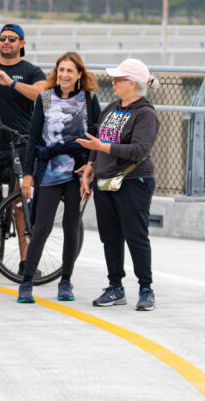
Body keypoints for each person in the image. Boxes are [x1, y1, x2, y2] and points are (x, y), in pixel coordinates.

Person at [16, 51, 101, 304]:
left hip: (78, 174)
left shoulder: (89, 99)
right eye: (61, 70)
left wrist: (90, 167)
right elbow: (33, 138)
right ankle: (27, 282)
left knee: (71, 228)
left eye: (70, 71)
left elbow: (97, 137)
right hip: (49, 171)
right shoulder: (44, 98)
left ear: (79, 75)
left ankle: (66, 281)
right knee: (41, 227)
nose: (64, 75)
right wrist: (28, 174)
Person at [76, 58, 160, 312]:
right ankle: (115, 287)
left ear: (132, 84)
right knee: (110, 237)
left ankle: (146, 288)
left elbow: (139, 149)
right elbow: (98, 139)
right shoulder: (111, 108)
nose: (112, 83)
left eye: (118, 79)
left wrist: (101, 147)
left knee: (136, 235)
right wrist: (89, 168)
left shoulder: (145, 114)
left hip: (134, 180)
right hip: (105, 179)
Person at [0, 22, 46, 277]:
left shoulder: (31, 71)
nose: (6, 42)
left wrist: (11, 83)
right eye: (2, 38)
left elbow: (42, 96)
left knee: (22, 205)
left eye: (12, 39)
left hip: (22, 144)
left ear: (22, 44)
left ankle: (25, 262)